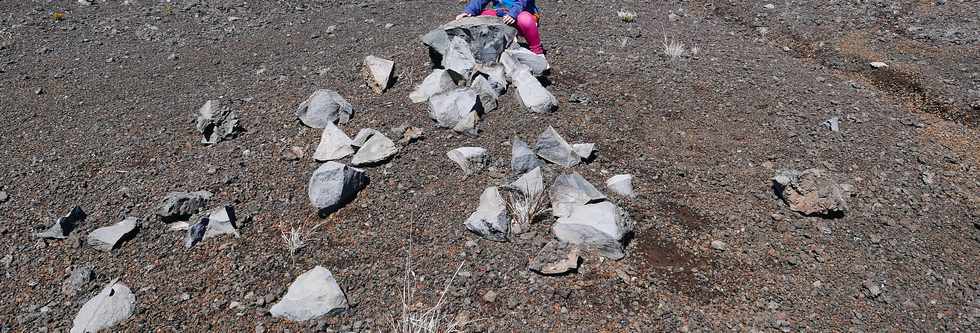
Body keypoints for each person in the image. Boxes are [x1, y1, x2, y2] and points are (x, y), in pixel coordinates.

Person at [456, 0, 545, 55]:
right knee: (478, 16)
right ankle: (499, 44)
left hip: (523, 13)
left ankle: (537, 51)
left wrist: (513, 14)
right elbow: (479, 1)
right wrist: (469, 11)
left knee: (525, 19)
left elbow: (522, 2)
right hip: (502, 15)